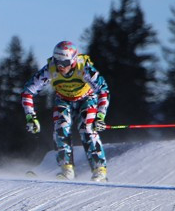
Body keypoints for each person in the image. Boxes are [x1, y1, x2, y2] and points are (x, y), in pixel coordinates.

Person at [21, 41, 111, 182]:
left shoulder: (84, 68)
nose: (60, 66)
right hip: (63, 99)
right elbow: (28, 91)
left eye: (65, 62)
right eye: (57, 61)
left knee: (87, 129)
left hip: (87, 98)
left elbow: (103, 91)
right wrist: (30, 117)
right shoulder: (50, 69)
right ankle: (67, 169)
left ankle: (99, 170)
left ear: (73, 61)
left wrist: (100, 116)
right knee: (61, 130)